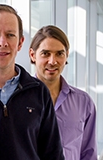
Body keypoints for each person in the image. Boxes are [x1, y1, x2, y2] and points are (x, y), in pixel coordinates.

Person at [0, 4, 64, 160]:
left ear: (20, 42)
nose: (2, 42)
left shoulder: (39, 91)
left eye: (10, 35)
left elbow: (53, 154)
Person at [29, 25, 97, 160]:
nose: (53, 61)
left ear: (66, 55)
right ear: (33, 55)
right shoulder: (19, 100)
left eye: (59, 53)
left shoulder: (83, 102)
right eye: (45, 53)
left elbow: (88, 153)